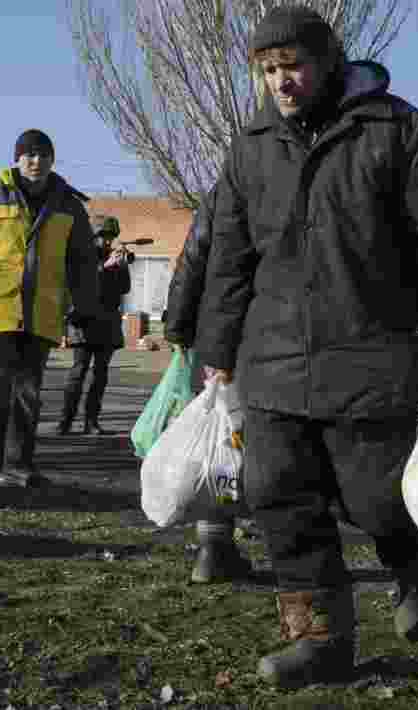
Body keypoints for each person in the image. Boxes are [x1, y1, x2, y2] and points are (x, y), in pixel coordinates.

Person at [196, 6, 418, 689]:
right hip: (272, 358)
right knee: (277, 494)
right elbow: (229, 257)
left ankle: (416, 563)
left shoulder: (395, 130)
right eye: (269, 71)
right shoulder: (251, 145)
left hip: (373, 349)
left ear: (328, 62)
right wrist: (213, 347)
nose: (282, 83)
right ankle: (319, 639)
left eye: (294, 67)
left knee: (375, 498)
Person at [0, 129, 99, 491]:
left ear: (52, 159)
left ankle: (17, 468)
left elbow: (82, 259)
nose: (36, 161)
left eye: (43, 155)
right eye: (29, 154)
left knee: (28, 395)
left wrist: (84, 304)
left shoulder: (68, 205)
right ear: (17, 158)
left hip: (42, 312)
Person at [162, 184, 252, 585]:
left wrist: (179, 326)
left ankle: (213, 543)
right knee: (243, 439)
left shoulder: (225, 193)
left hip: (216, 335)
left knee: (222, 443)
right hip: (274, 335)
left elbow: (192, 259)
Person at [58, 215, 131, 436]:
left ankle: (92, 420)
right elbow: (76, 283)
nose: (108, 242)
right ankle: (65, 421)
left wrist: (122, 266)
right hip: (85, 320)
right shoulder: (82, 255)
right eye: (104, 237)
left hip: (107, 322)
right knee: (78, 372)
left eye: (111, 237)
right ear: (94, 236)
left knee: (101, 374)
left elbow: (124, 288)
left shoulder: (114, 257)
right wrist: (103, 267)